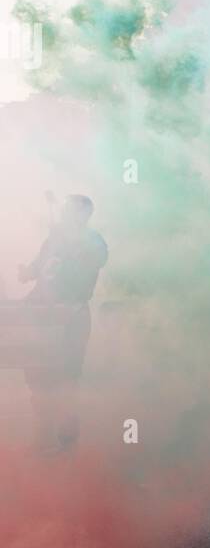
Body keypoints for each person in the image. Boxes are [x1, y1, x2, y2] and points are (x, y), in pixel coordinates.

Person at [19, 193, 108, 454]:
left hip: (72, 315)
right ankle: (43, 434)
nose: (63, 215)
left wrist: (73, 245)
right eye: (64, 210)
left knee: (67, 373)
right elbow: (38, 268)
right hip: (44, 313)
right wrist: (27, 272)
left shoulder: (93, 241)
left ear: (83, 215)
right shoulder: (54, 238)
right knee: (37, 372)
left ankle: (66, 435)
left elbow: (97, 260)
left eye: (70, 211)